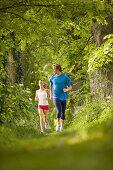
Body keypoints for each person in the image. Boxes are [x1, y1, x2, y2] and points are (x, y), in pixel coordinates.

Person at [50, 63, 72, 132]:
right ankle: (58, 124)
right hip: (55, 96)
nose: (53, 70)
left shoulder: (65, 77)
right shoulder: (52, 77)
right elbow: (51, 86)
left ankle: (62, 127)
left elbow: (70, 86)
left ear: (58, 69)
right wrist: (50, 95)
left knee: (63, 111)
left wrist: (66, 89)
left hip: (64, 96)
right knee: (59, 110)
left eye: (54, 69)